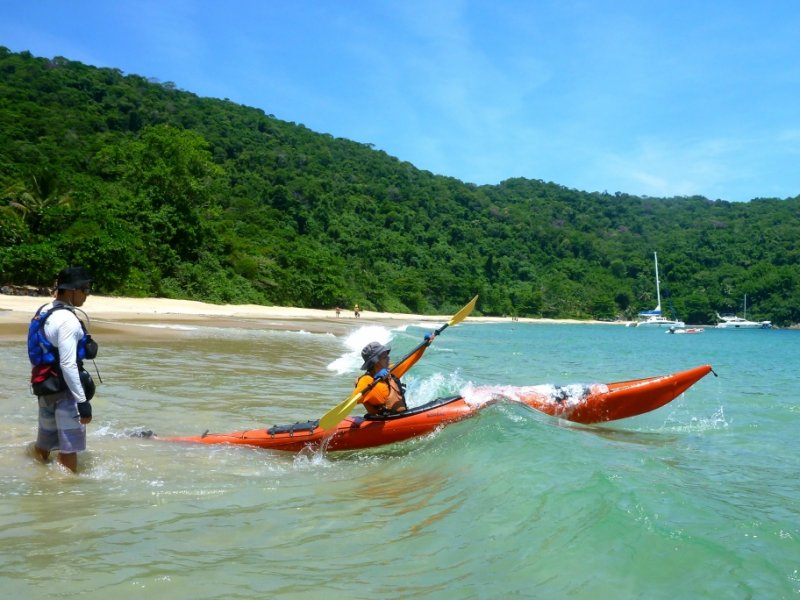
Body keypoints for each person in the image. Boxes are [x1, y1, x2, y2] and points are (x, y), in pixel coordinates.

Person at [28, 266, 98, 473]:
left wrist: (40, 382)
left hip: (45, 387)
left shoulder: (43, 311)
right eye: (85, 289)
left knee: (44, 445)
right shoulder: (68, 321)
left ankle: (37, 478)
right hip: (66, 392)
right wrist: (82, 402)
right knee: (69, 450)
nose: (87, 295)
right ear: (71, 291)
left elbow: (36, 350)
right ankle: (66, 495)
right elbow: (68, 364)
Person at [355, 333, 435, 416]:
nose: (388, 358)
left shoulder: (391, 371)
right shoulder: (366, 380)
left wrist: (424, 345)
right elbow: (355, 399)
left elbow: (411, 359)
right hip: (384, 421)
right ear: (376, 361)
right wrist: (375, 380)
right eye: (385, 357)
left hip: (401, 416)